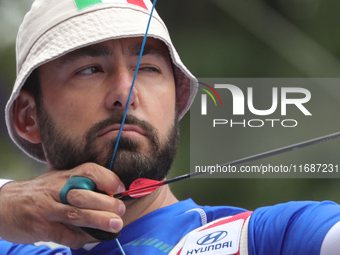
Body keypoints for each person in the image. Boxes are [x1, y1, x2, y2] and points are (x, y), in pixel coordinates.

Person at [1, 0, 340, 254]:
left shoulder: (265, 239)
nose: (126, 92)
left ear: (176, 99)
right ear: (28, 117)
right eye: (90, 69)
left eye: (147, 68)